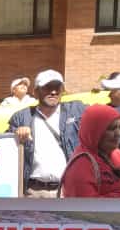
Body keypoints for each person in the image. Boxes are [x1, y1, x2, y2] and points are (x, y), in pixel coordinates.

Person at [7, 69, 87, 197]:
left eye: (57, 87)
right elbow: (6, 149)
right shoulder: (21, 118)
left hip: (68, 191)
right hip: (34, 192)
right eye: (47, 87)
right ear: (35, 92)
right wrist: (16, 135)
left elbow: (106, 121)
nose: (53, 92)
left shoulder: (76, 110)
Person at [59, 104, 120, 198]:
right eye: (112, 129)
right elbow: (88, 207)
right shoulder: (81, 166)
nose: (118, 134)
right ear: (95, 131)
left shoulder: (117, 155)